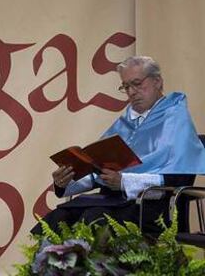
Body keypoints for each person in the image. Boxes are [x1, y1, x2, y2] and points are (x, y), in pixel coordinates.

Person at [31, 56, 205, 235]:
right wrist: (66, 182)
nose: (132, 92)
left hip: (152, 206)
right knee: (58, 219)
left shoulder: (175, 119)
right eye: (126, 86)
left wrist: (124, 182)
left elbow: (178, 178)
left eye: (137, 83)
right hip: (113, 200)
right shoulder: (127, 123)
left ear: (157, 81)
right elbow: (99, 172)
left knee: (94, 218)